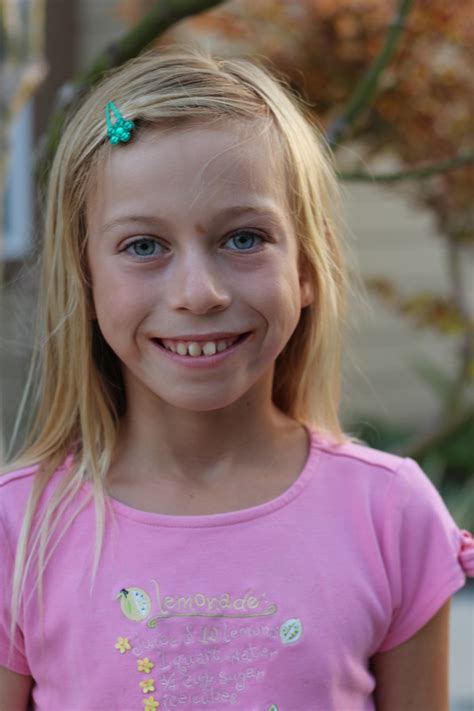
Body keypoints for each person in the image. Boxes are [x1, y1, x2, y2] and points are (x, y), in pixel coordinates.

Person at [0, 45, 473, 711]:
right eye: (144, 246)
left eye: (243, 238)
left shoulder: (391, 515)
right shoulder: (19, 531)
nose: (199, 293)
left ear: (306, 268)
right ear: (85, 279)